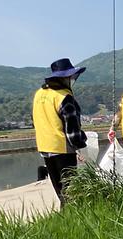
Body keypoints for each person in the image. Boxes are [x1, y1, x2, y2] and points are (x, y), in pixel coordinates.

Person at [32, 58, 87, 207]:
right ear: (64, 78)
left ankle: (66, 216)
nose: (72, 80)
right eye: (70, 77)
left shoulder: (39, 94)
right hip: (62, 148)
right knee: (70, 190)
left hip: (45, 148)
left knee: (60, 191)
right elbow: (72, 131)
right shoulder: (64, 97)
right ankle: (73, 215)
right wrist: (81, 143)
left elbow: (35, 120)